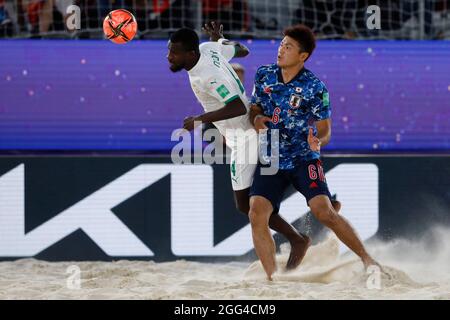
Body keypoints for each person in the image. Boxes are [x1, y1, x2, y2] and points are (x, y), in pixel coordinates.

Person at [167, 22, 316, 269]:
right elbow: (243, 51)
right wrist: (220, 41)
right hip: (242, 134)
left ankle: (299, 235)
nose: (169, 56)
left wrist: (198, 120)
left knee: (246, 205)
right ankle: (301, 228)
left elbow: (237, 105)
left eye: (174, 52)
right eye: (169, 50)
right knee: (250, 203)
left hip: (245, 136)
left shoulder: (208, 75)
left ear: (190, 54)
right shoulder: (208, 48)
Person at [249, 24, 380, 280]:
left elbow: (325, 130)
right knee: (256, 211)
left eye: (288, 47)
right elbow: (254, 108)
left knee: (323, 211)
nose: (281, 50)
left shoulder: (314, 87)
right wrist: (255, 119)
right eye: (281, 44)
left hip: (303, 156)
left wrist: (317, 141)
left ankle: (367, 259)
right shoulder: (264, 74)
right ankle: (273, 278)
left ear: (303, 56)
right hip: (272, 155)